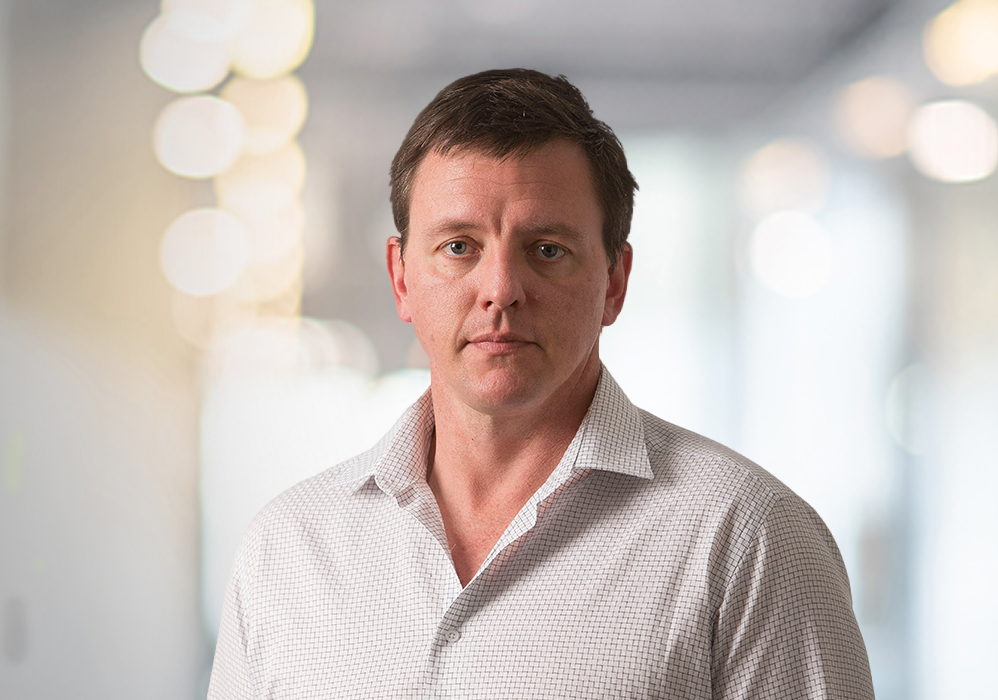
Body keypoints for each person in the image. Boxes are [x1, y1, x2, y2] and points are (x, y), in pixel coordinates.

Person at [208, 68, 874, 699]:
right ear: (401, 276)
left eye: (547, 250)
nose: (500, 290)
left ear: (614, 282)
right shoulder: (286, 550)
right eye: (459, 247)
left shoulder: (749, 537)